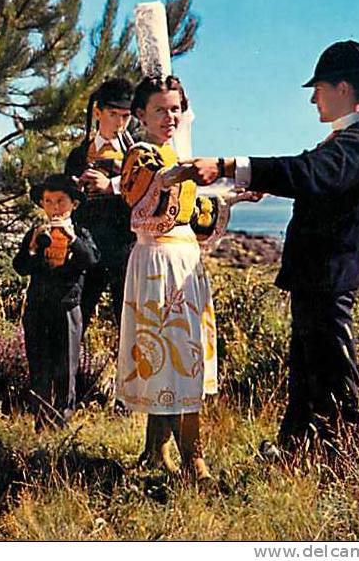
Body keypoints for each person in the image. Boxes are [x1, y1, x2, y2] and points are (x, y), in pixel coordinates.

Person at [184, 40, 359, 461]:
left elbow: (307, 174)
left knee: (332, 373)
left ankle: (349, 462)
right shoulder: (349, 141)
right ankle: (296, 451)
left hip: (329, 281)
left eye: (319, 88)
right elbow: (308, 175)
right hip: (319, 279)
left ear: (344, 88)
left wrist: (226, 165)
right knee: (308, 372)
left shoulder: (356, 144)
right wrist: (258, 179)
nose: (314, 97)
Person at [117, 75, 259, 481]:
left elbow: (193, 217)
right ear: (140, 115)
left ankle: (155, 452)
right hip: (156, 262)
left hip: (184, 260)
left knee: (181, 353)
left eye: (176, 109)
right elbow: (147, 198)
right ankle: (194, 463)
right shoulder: (142, 157)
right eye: (160, 109)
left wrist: (231, 195)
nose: (170, 117)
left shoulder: (170, 155)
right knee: (176, 358)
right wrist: (183, 174)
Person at [13, 174, 98, 428]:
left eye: (61, 201)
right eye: (48, 202)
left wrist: (72, 240)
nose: (54, 208)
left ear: (74, 204)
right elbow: (20, 267)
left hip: (67, 308)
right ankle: (40, 419)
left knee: (65, 366)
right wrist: (32, 247)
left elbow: (92, 260)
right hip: (38, 307)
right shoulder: (36, 233)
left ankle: (62, 420)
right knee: (39, 363)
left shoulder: (80, 233)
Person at [64, 78, 137, 339]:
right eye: (113, 114)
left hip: (125, 252)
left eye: (126, 116)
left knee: (129, 326)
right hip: (88, 250)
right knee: (75, 322)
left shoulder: (136, 154)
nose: (119, 123)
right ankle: (70, 379)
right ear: (97, 112)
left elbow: (146, 190)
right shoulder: (78, 155)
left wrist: (112, 185)